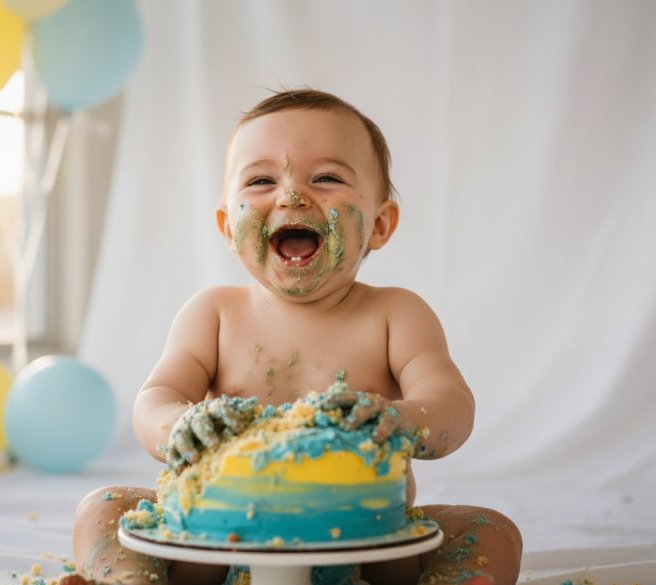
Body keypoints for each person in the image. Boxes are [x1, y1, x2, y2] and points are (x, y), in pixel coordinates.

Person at [62, 89, 523, 585]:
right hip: (213, 543)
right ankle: (130, 582)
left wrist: (401, 420)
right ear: (226, 225)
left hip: (366, 547)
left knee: (491, 530)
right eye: (261, 180)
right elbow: (155, 398)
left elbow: (452, 404)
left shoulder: (396, 314)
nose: (291, 195)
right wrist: (181, 425)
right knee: (103, 507)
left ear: (380, 224)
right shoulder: (213, 313)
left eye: (326, 178)